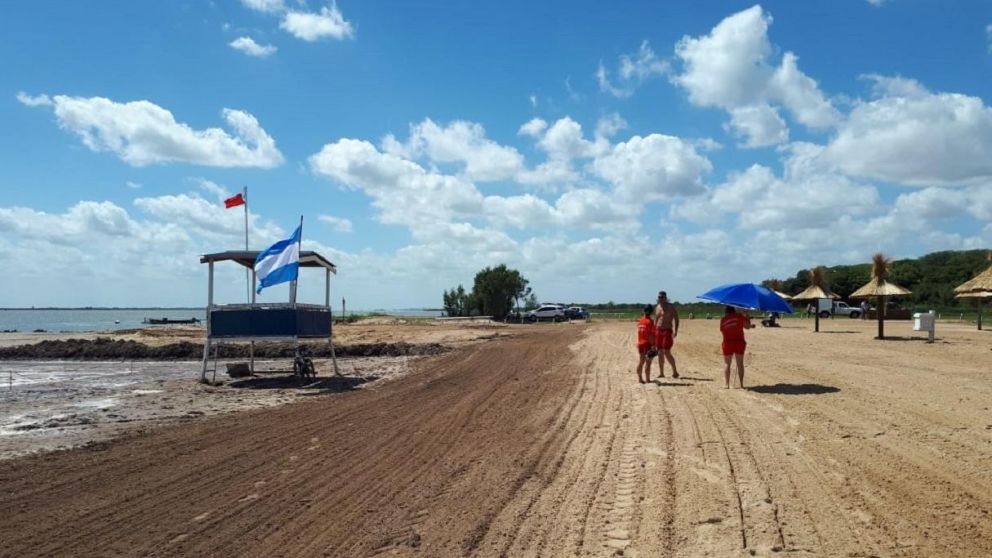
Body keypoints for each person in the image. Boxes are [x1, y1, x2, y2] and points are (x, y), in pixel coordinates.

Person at [720, 306, 754, 389]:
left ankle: (726, 384)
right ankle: (741, 384)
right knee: (740, 364)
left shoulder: (723, 320)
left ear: (726, 311)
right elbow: (748, 326)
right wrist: (747, 316)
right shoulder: (740, 317)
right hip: (739, 342)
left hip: (727, 342)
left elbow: (722, 330)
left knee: (727, 364)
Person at [653, 291, 680, 379]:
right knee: (660, 352)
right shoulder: (657, 307)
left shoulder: (671, 307)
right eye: (659, 297)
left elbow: (676, 318)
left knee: (667, 352)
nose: (660, 299)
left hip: (667, 330)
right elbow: (655, 320)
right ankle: (661, 373)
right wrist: (653, 332)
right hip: (658, 331)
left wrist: (676, 331)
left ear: (666, 298)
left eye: (662, 297)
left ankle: (675, 371)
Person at [635, 305, 656, 384]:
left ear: (644, 311)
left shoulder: (640, 320)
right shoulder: (650, 321)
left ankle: (640, 379)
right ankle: (647, 379)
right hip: (647, 344)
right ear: (651, 312)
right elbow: (650, 335)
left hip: (640, 343)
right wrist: (653, 345)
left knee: (641, 362)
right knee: (648, 362)